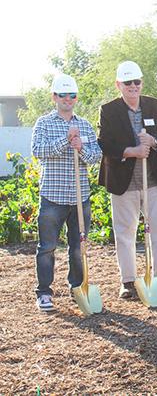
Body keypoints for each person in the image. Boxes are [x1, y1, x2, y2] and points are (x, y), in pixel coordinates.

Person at [97, 60, 157, 299]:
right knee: (125, 231)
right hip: (123, 180)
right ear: (119, 85)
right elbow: (105, 143)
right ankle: (128, 281)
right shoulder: (109, 110)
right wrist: (131, 151)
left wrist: (153, 141)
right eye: (128, 82)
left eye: (136, 81)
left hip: (152, 178)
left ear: (141, 82)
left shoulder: (153, 105)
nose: (133, 86)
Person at [31, 74, 102, 312]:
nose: (67, 100)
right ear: (54, 97)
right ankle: (44, 293)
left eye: (72, 96)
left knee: (77, 247)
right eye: (63, 95)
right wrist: (66, 140)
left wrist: (80, 146)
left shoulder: (85, 125)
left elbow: (95, 157)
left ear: (76, 98)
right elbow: (38, 151)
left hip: (80, 198)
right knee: (47, 247)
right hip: (53, 196)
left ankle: (77, 287)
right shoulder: (44, 123)